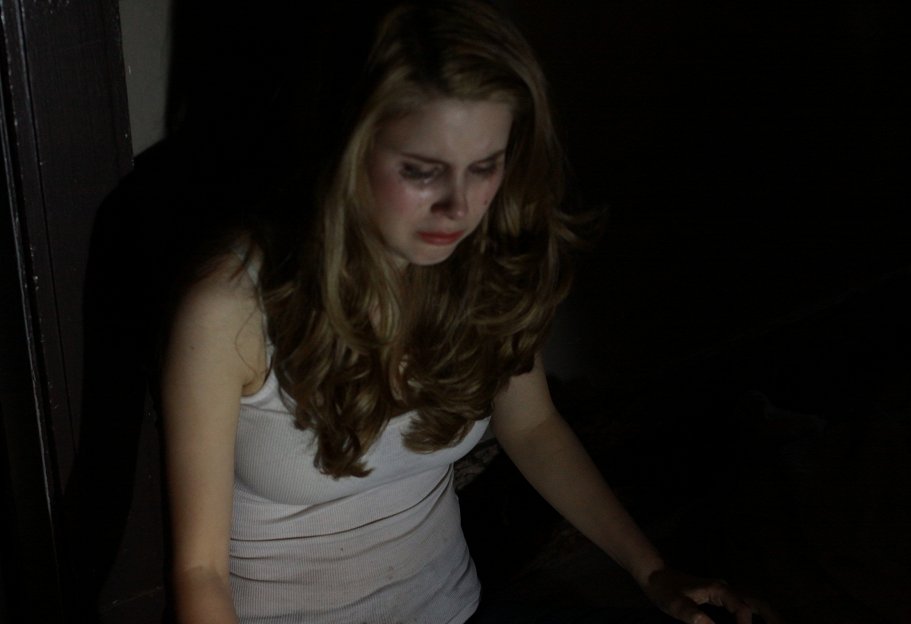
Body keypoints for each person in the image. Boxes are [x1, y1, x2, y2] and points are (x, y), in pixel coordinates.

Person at [161, 1, 766, 623]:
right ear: (349, 149)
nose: (458, 207)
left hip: (451, 608)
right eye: (421, 172)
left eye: (484, 168)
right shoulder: (231, 307)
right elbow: (200, 571)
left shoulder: (486, 267)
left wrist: (652, 571)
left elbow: (533, 428)